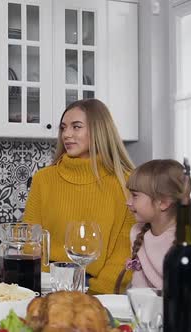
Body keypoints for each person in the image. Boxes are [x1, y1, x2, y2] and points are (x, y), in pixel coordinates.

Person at [23, 98, 136, 294]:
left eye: (76, 127)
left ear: (99, 130)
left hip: (98, 290)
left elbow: (125, 252)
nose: (67, 134)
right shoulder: (43, 179)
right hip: (46, 284)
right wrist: (42, 286)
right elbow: (29, 242)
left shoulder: (125, 183)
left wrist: (96, 295)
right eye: (63, 128)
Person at [116, 159, 191, 318]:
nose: (128, 202)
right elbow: (139, 294)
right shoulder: (138, 233)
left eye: (135, 195)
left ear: (163, 202)